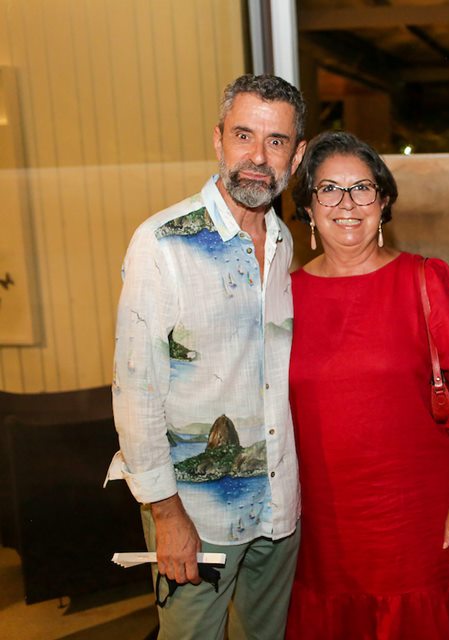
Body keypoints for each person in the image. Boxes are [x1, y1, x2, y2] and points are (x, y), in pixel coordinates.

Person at [110, 74, 307, 638]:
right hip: (197, 515)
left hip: (278, 505)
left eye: (275, 142)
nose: (257, 157)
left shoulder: (282, 240)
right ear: (218, 140)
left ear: (294, 157)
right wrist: (167, 517)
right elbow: (135, 392)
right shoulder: (162, 242)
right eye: (244, 135)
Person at [284, 130, 449, 639]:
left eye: (362, 189)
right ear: (308, 210)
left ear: (382, 204)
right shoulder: (283, 299)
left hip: (419, 526)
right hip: (321, 531)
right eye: (328, 189)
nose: (347, 204)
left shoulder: (423, 280)